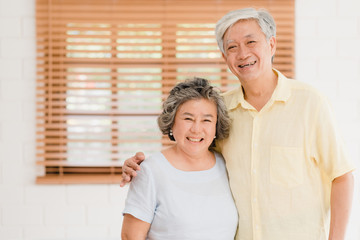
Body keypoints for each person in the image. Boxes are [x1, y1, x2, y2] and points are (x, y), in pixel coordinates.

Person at [121, 8, 355, 240]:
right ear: (225, 58)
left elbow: (342, 176)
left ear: (271, 45)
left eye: (251, 42)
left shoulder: (309, 103)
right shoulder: (221, 109)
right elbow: (191, 151)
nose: (243, 54)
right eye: (232, 47)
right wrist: (140, 167)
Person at [121, 77, 238, 240]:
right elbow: (130, 236)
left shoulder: (226, 165)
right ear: (172, 121)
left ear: (216, 125)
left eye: (206, 120)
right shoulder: (151, 171)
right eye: (188, 118)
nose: (196, 129)